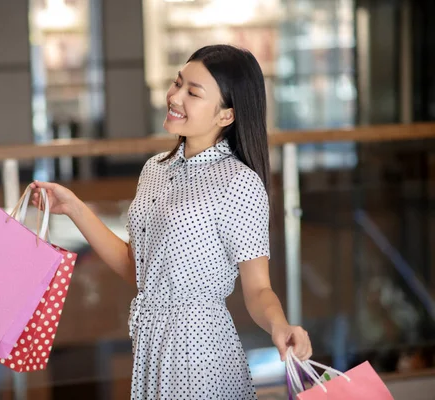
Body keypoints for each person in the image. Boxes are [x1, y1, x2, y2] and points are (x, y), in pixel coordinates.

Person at [31, 44, 312, 399]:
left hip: (199, 350)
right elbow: (137, 269)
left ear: (226, 115)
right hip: (150, 345)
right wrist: (74, 208)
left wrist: (280, 325)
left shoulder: (238, 182)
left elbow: (257, 288)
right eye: (177, 83)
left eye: (192, 92)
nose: (174, 96)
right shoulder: (155, 169)